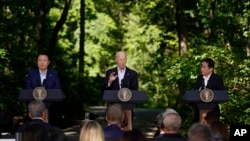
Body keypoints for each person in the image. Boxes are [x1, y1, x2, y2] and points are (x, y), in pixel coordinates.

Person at [193, 58, 225, 122]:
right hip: (199, 110)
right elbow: (195, 91)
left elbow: (222, 93)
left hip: (213, 110)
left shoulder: (217, 78)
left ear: (211, 69)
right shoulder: (199, 78)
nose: (201, 69)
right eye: (201, 67)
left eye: (204, 67)